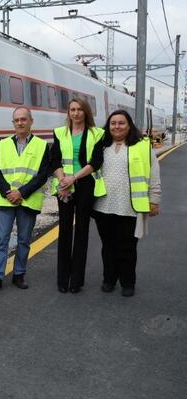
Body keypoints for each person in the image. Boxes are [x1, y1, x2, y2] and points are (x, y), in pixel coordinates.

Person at [92, 110, 161, 297]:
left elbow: (154, 174)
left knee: (127, 247)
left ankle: (128, 282)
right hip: (102, 205)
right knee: (107, 245)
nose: (117, 126)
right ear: (108, 126)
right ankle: (109, 279)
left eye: (121, 123)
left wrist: (154, 199)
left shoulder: (142, 146)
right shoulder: (101, 146)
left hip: (130, 206)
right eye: (113, 123)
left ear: (129, 125)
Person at [0, 107, 50, 293]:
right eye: (17, 120)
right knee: (1, 240)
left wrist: (21, 192)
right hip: (6, 200)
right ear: (13, 123)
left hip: (27, 200)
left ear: (31, 121)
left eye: (24, 119)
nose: (20, 123)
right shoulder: (2, 144)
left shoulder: (42, 145)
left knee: (23, 240)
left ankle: (19, 274)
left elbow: (42, 175)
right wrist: (9, 192)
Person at [50, 98, 105, 293]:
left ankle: (76, 281)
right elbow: (54, 159)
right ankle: (62, 279)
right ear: (68, 112)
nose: (76, 113)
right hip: (64, 186)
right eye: (72, 109)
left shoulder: (97, 134)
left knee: (82, 231)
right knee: (64, 231)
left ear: (86, 112)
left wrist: (73, 178)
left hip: (85, 185)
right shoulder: (59, 132)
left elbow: (96, 161)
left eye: (80, 109)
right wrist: (63, 181)